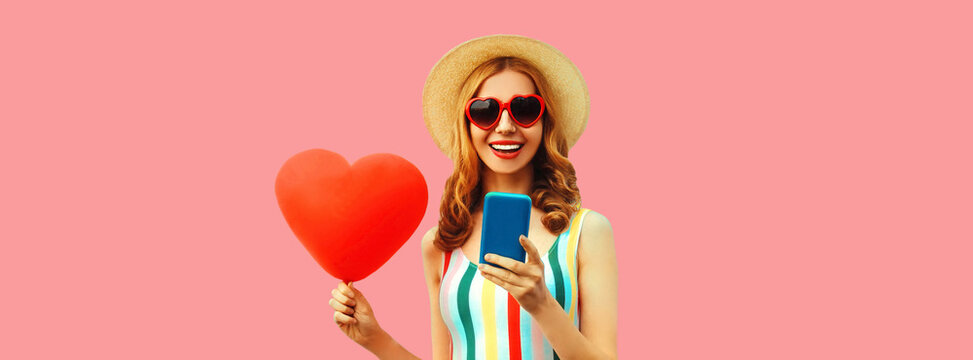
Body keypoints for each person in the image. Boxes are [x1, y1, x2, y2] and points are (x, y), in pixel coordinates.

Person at [328, 34, 618, 360]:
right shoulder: (441, 243)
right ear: (467, 125)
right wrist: (375, 339)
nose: (505, 126)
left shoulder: (586, 232)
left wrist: (541, 303)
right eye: (485, 111)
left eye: (524, 109)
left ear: (544, 121)